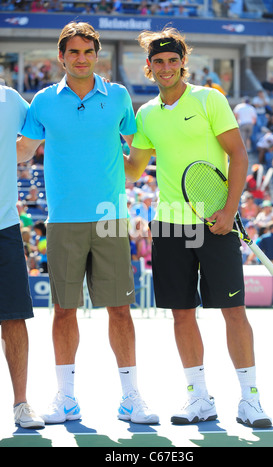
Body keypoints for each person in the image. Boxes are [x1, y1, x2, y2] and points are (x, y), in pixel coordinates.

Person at [124, 27, 272, 428]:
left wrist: (229, 209)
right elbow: (133, 169)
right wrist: (95, 145)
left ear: (182, 62)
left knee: (233, 311)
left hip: (216, 223)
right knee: (182, 314)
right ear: (149, 67)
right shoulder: (146, 114)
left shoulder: (210, 99)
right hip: (169, 227)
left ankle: (250, 401)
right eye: (159, 62)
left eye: (173, 60)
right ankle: (199, 399)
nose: (167, 67)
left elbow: (238, 156)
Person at [17, 22, 159, 425]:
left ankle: (132, 398)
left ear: (96, 55)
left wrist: (128, 174)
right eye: (73, 52)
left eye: (87, 52)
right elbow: (24, 152)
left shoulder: (118, 97)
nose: (81, 59)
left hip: (111, 219)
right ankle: (65, 399)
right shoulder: (42, 101)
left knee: (120, 310)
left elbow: (137, 153)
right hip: (62, 221)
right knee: (63, 311)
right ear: (61, 57)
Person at [0, 83, 44, 429]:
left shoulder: (9, 98)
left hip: (4, 226)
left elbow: (29, 145)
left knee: (14, 319)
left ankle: (21, 404)